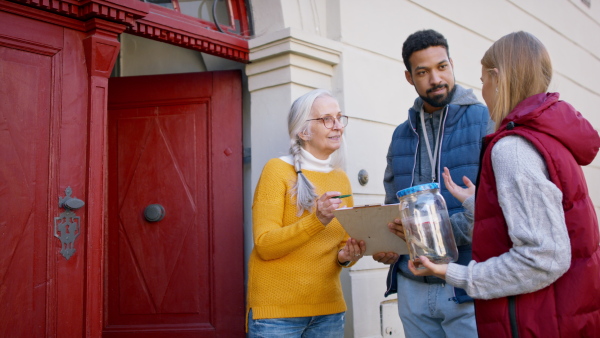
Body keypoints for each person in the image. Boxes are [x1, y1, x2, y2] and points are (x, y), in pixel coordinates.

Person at [409, 31, 600, 337]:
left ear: (497, 78)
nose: (481, 88)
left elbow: (543, 258)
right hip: (559, 314)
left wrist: (453, 272)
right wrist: (479, 203)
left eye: (484, 79)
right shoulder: (549, 135)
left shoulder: (512, 149)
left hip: (533, 322)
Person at [373, 29, 493, 337]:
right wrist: (387, 243)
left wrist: (425, 233)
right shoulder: (401, 134)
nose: (435, 79)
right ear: (409, 77)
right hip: (411, 287)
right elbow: (392, 207)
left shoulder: (486, 121)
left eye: (442, 67)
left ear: (452, 64)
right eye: (423, 72)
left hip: (466, 284)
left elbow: (493, 210)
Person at [246, 89, 366, 338]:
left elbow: (342, 249)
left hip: (329, 311)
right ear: (303, 131)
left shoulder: (340, 178)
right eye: (326, 119)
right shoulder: (276, 170)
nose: (338, 126)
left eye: (339, 118)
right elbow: (265, 245)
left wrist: (348, 255)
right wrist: (317, 220)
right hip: (276, 316)